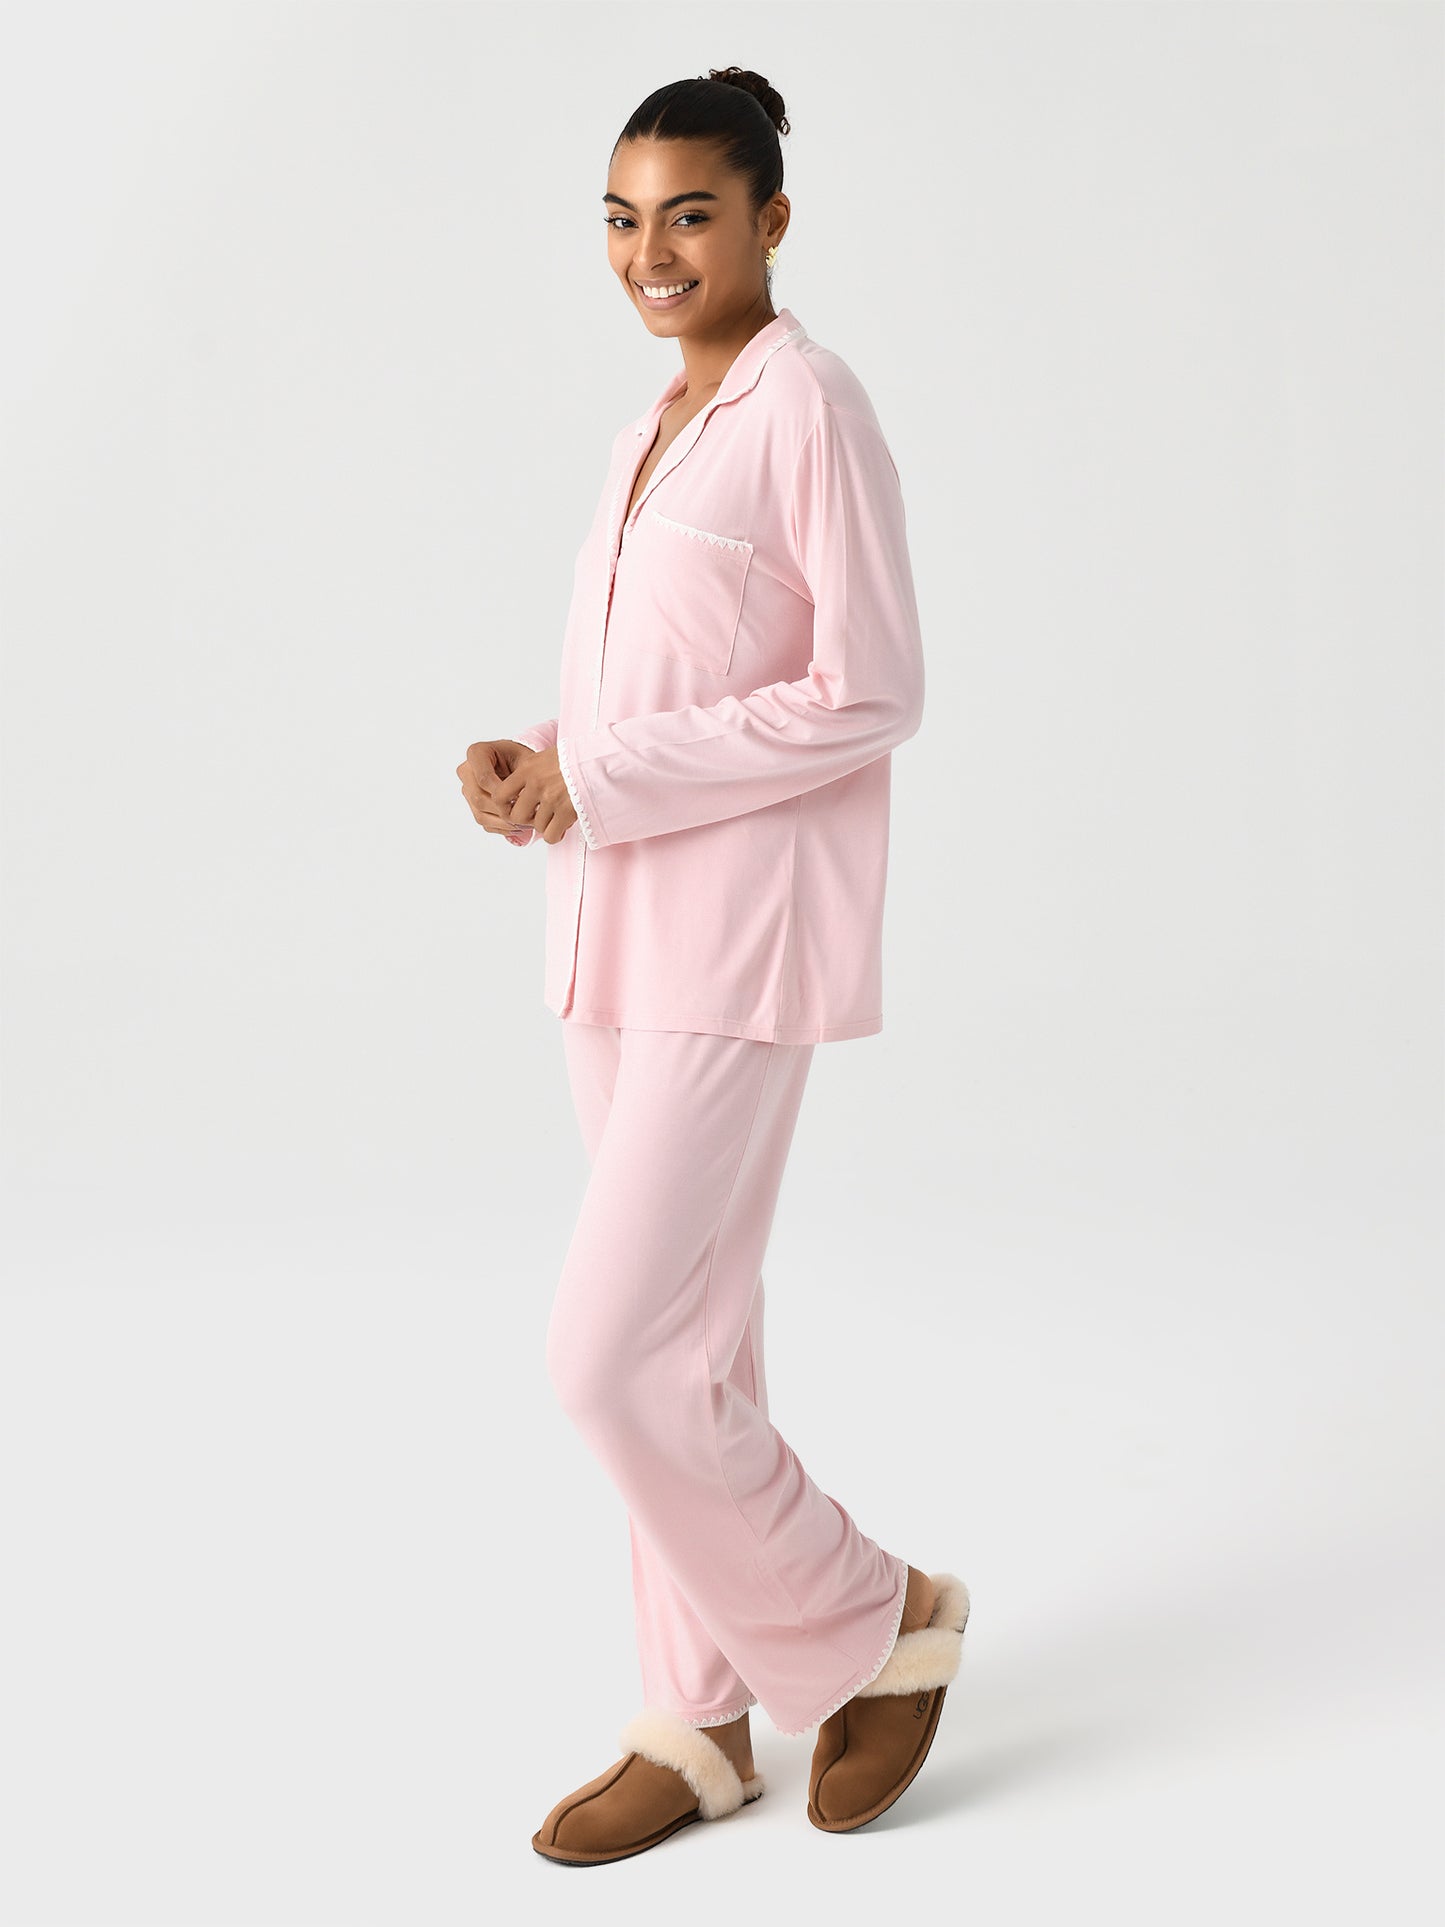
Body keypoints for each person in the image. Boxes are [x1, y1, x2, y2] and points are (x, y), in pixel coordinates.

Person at [458, 67, 969, 1863]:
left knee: (609, 1357)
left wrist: (600, 775)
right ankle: (697, 1718)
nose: (650, 251)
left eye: (689, 213)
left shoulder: (807, 406)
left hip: (737, 941)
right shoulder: (647, 433)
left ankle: (880, 1621)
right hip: (609, 928)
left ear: (768, 219)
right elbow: (654, 691)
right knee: (695, 1354)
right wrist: (544, 759)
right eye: (621, 218)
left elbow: (869, 690)